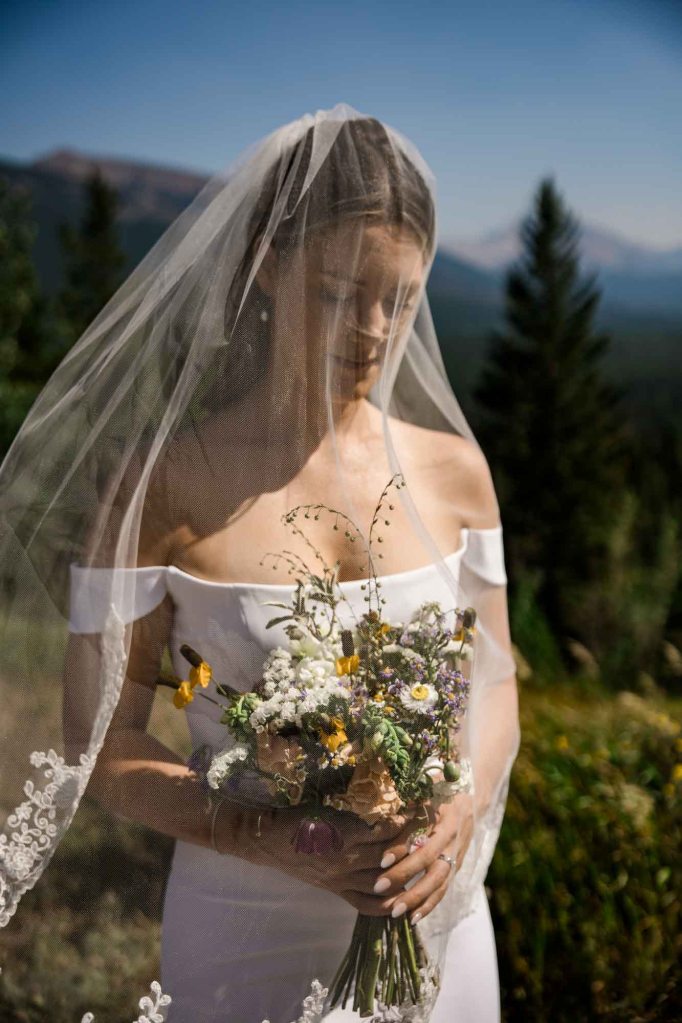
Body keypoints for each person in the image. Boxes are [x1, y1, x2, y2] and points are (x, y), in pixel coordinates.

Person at [0, 104, 520, 1023]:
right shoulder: (160, 486)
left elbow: (496, 679)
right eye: (336, 292)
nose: (371, 329)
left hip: (439, 919)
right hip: (246, 930)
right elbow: (102, 748)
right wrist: (268, 836)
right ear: (268, 265)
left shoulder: (455, 471)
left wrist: (460, 810)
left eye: (398, 298)